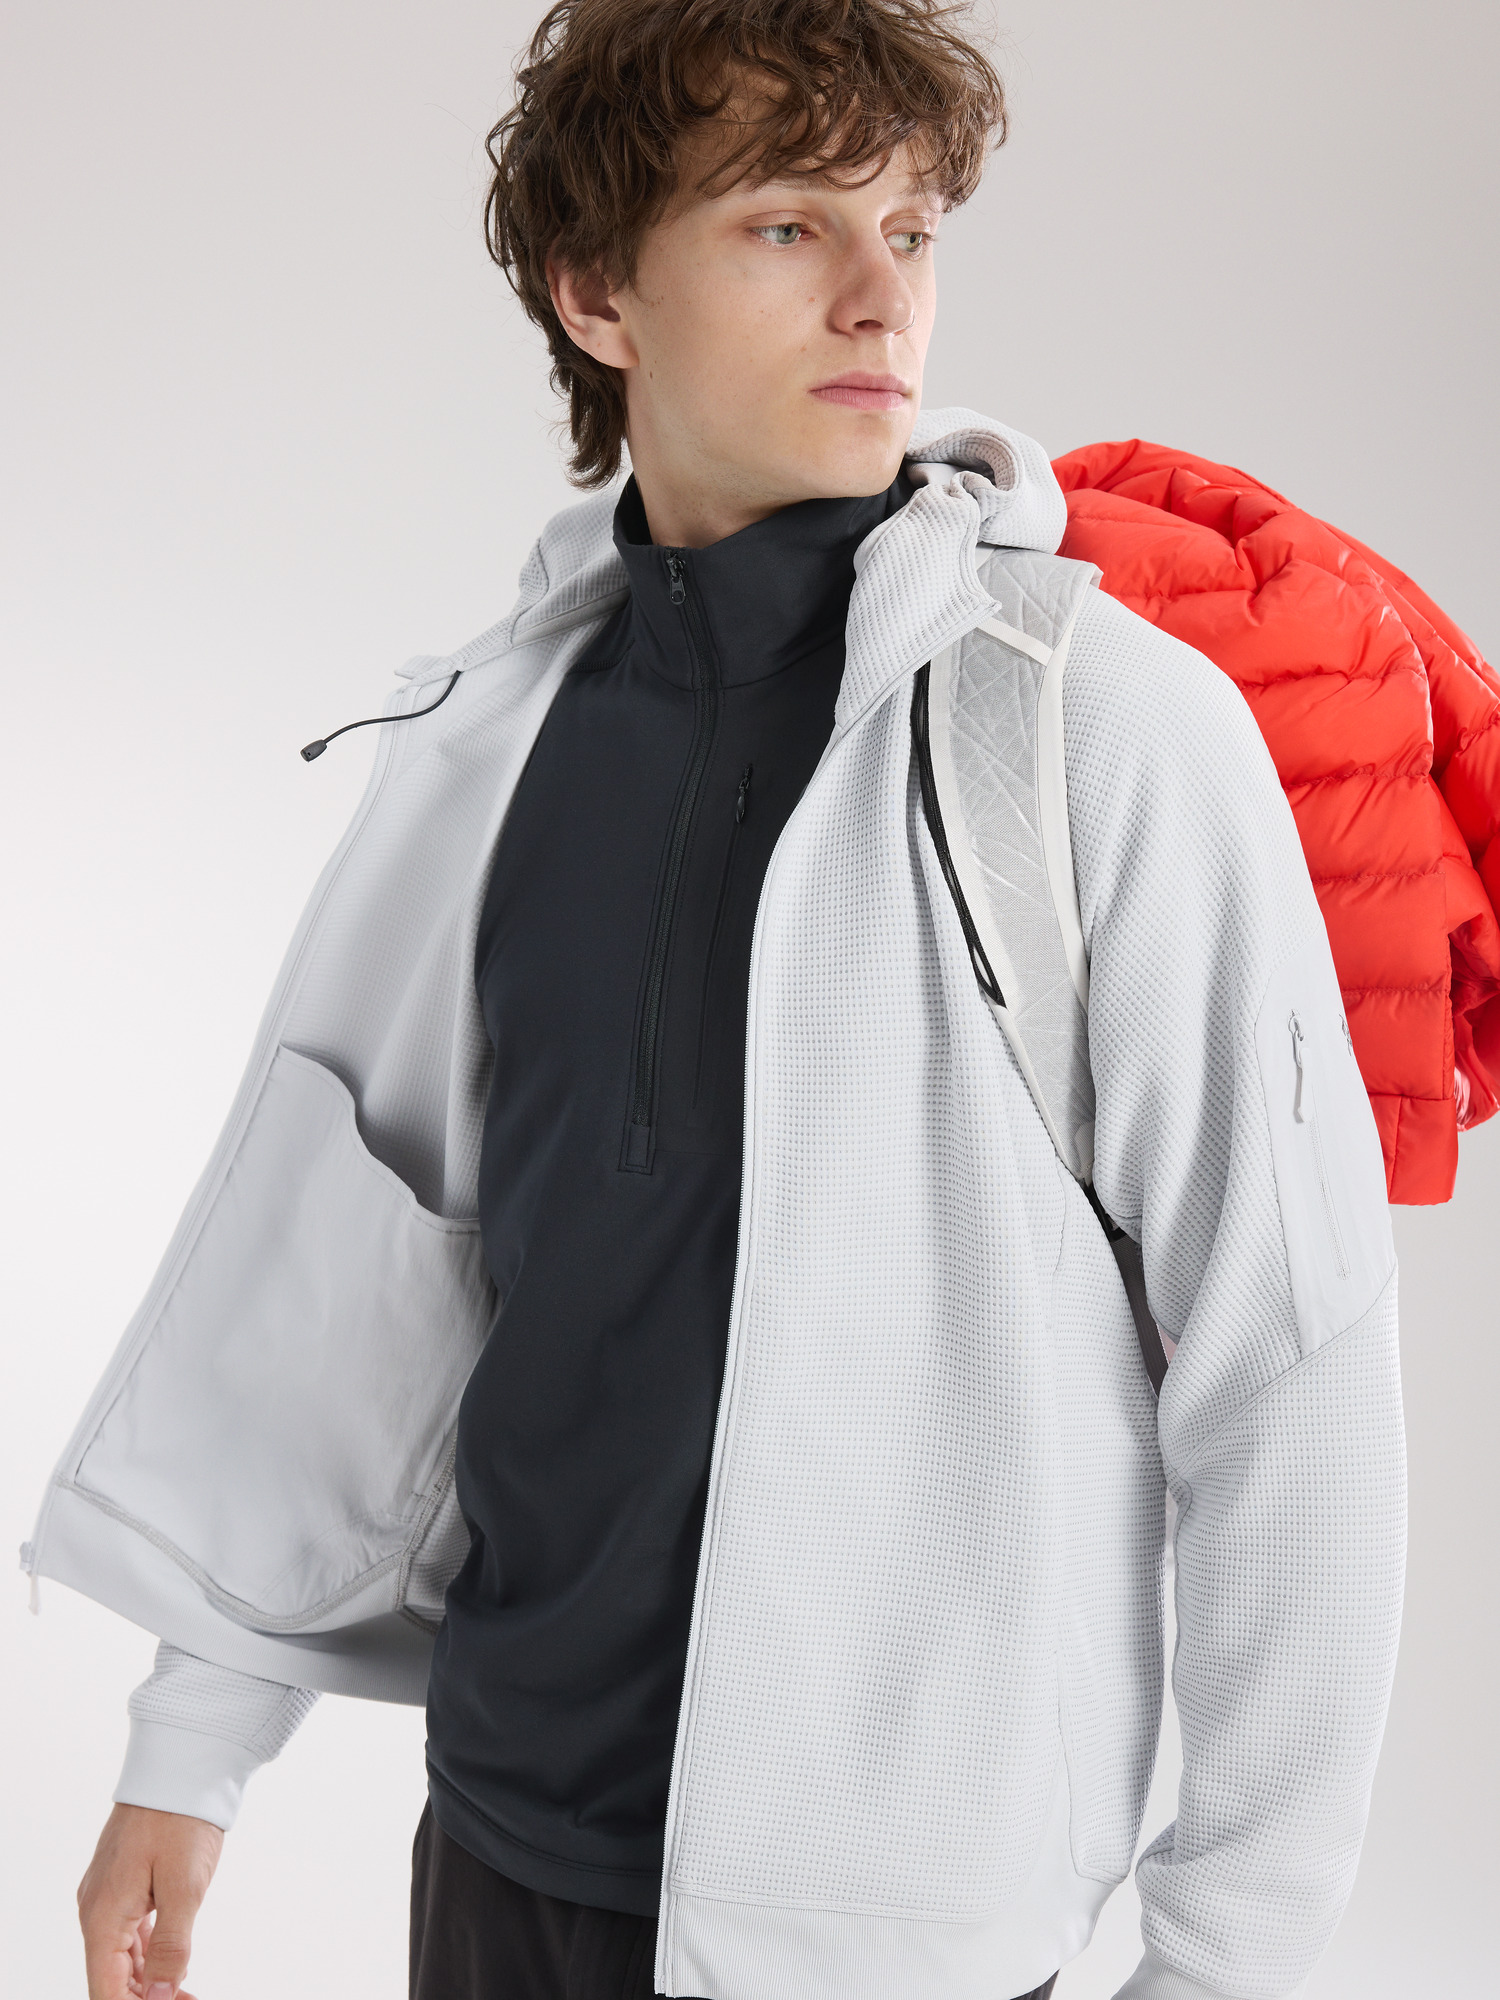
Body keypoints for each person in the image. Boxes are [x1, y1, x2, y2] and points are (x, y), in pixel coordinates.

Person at [48, 3, 1405, 1998]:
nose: (883, 296)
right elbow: (379, 1262)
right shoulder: (495, 733)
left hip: (890, 1933)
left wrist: (1230, 1964)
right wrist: (199, 1733)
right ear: (596, 292)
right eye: (789, 224)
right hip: (497, 1848)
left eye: (912, 229)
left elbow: (1291, 1371)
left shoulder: (1095, 728)